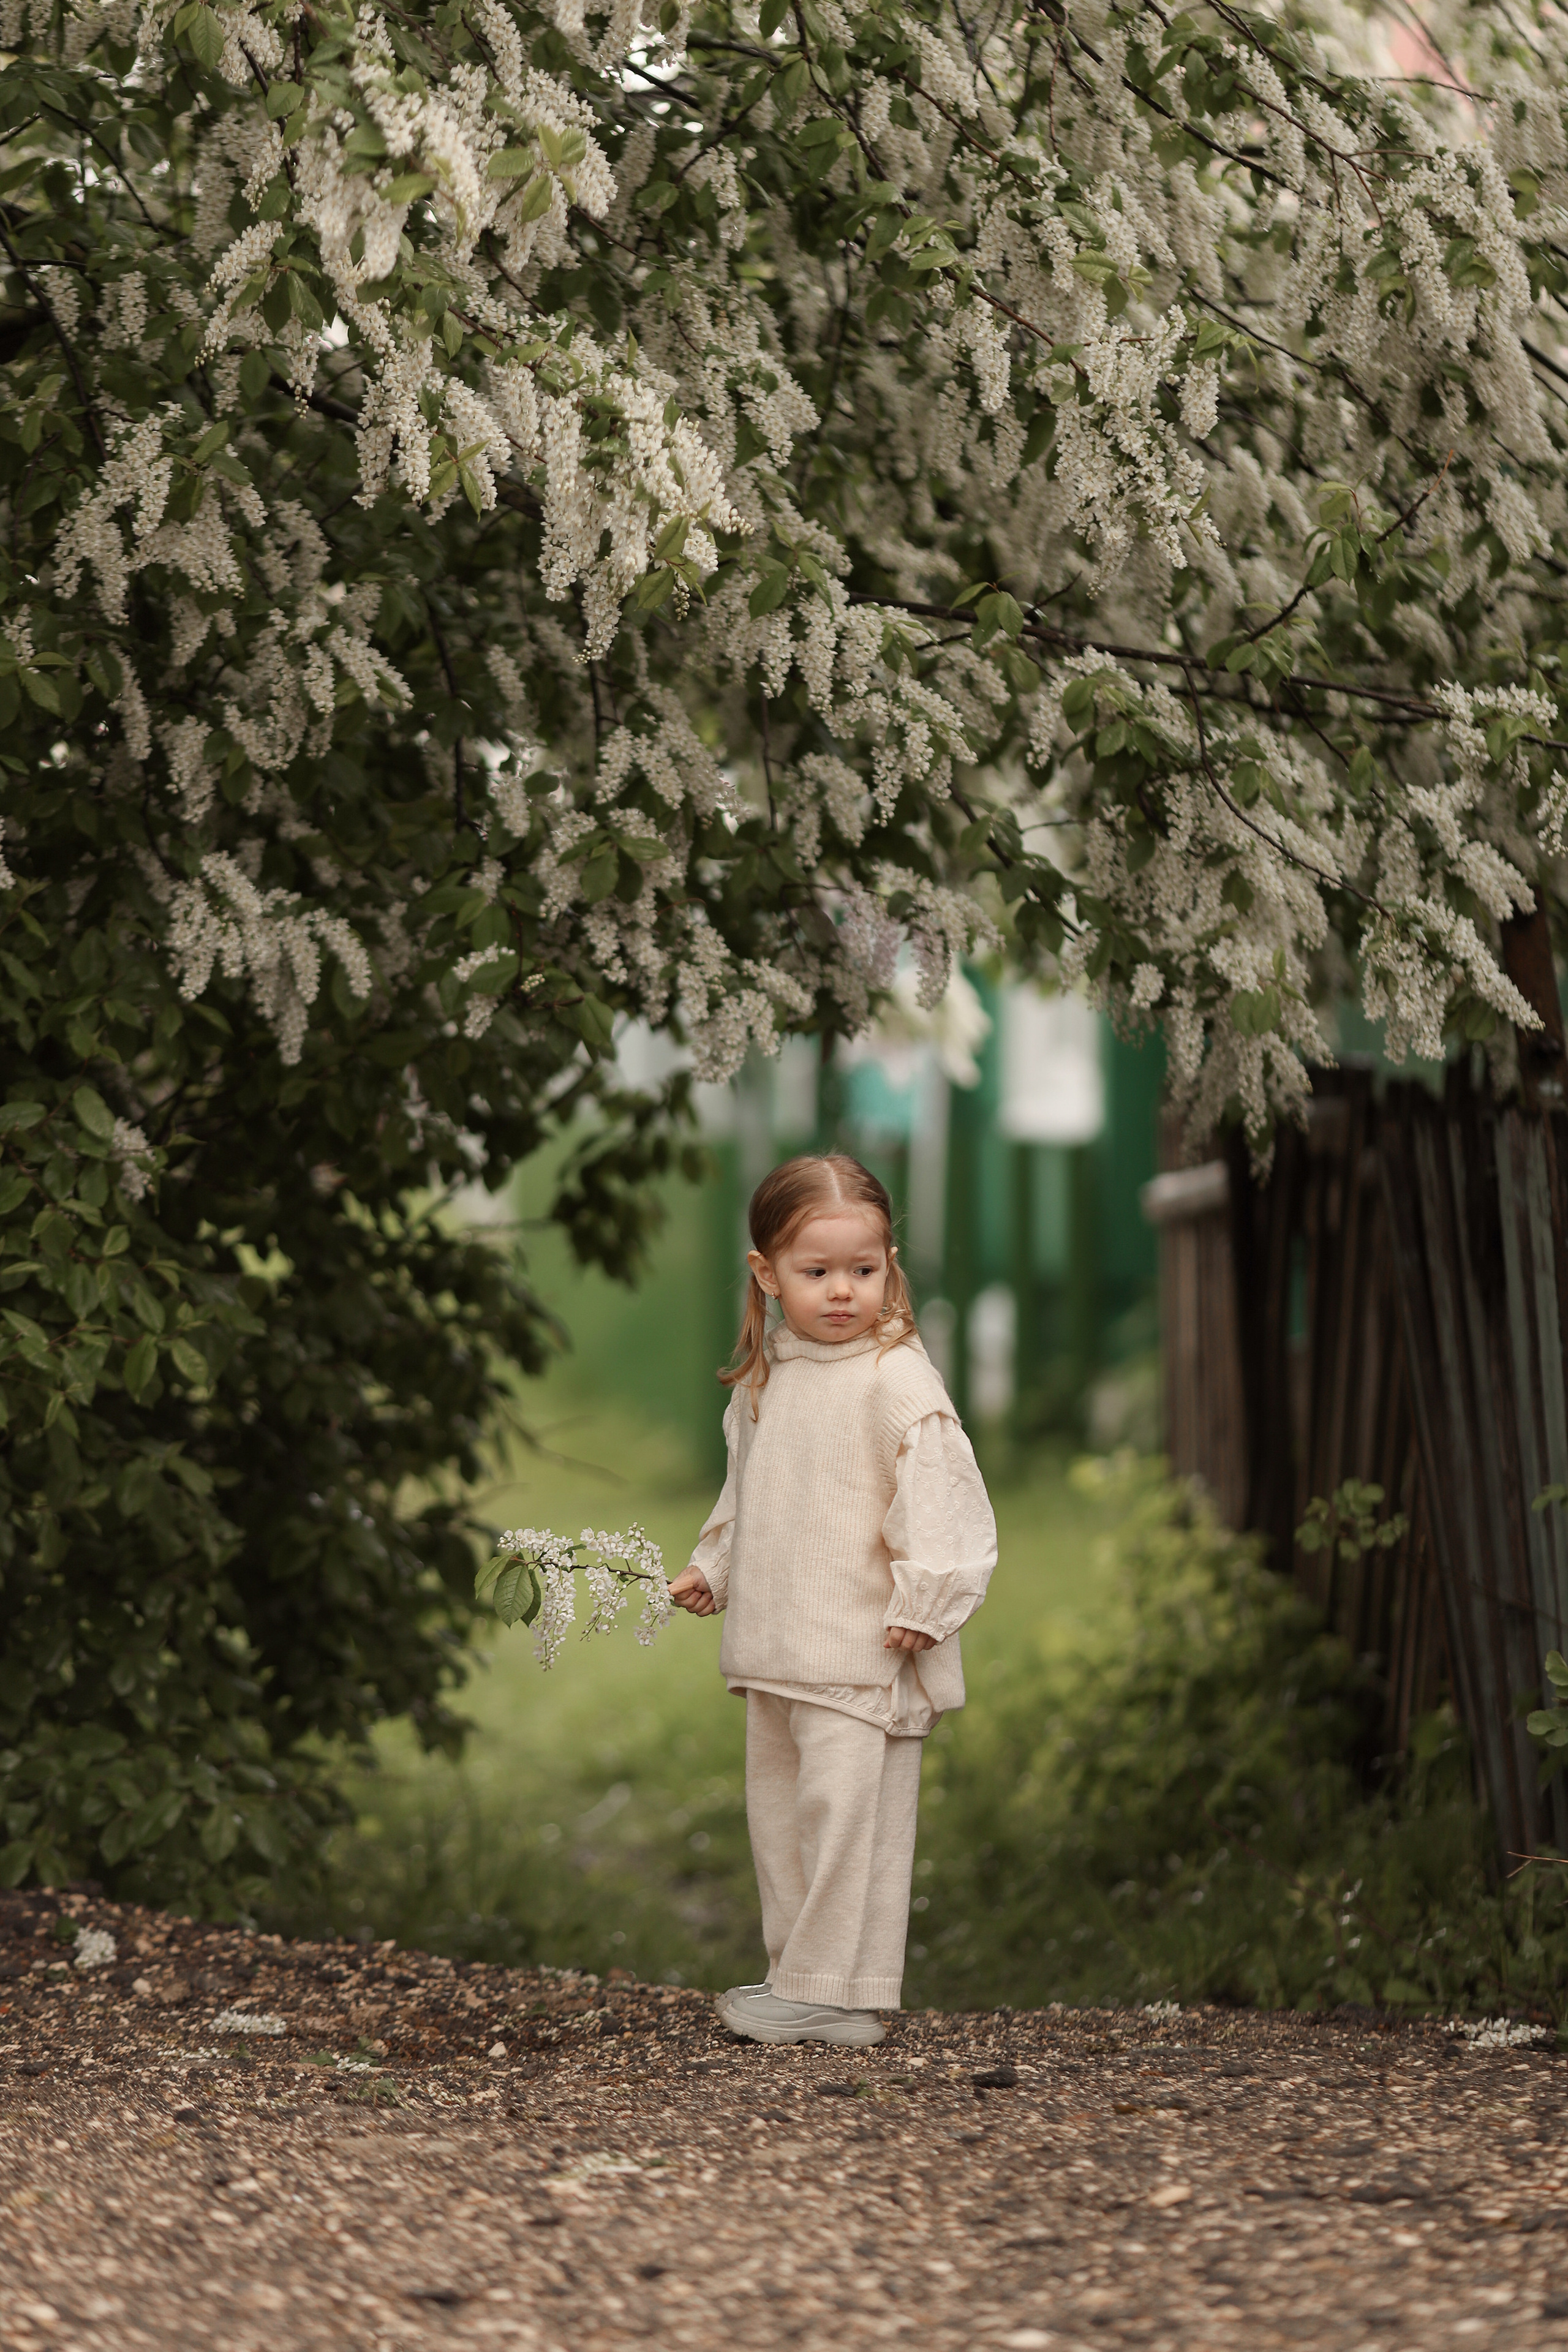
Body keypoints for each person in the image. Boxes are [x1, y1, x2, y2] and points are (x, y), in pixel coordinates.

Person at [668, 1152, 997, 2047]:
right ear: (768, 1275)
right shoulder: (768, 1379)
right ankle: (805, 1983)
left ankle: (833, 1988)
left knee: (849, 1824)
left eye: (863, 1269)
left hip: (860, 1649)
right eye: (816, 1273)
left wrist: (925, 1601)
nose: (843, 1291)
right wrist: (715, 1568)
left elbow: (941, 1499)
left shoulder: (895, 1380)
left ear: (890, 1265)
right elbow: (751, 1495)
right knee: (781, 1820)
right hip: (775, 1644)